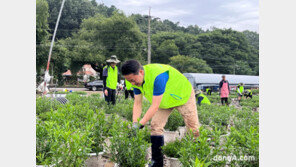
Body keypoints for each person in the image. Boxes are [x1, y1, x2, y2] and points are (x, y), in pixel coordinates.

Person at [121, 60, 200, 167]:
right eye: (129, 81)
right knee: (155, 126)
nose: (132, 83)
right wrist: (135, 122)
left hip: (182, 95)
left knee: (193, 128)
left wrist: (141, 124)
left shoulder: (158, 76)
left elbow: (154, 106)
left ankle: (194, 162)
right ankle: (157, 162)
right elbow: (137, 103)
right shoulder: (131, 80)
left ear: (141, 72)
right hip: (164, 100)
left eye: (133, 80)